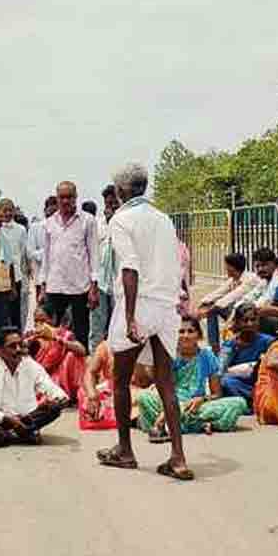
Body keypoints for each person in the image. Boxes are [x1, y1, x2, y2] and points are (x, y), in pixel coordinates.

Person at [96, 163, 192, 480]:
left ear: (122, 190)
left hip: (139, 304)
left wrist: (128, 316)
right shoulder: (163, 219)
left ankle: (125, 449)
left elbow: (130, 268)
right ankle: (178, 457)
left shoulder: (121, 220)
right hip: (166, 307)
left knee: (120, 379)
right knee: (166, 382)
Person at [136, 318, 248, 440]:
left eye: (190, 331)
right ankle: (197, 425)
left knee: (239, 403)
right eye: (181, 331)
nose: (186, 336)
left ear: (199, 335)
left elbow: (217, 393)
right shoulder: (169, 354)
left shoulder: (207, 355)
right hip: (170, 403)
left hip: (196, 406)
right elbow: (161, 386)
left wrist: (202, 399)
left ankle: (170, 423)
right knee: (144, 396)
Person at [0, 326, 68, 446]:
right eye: (12, 346)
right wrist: (6, 418)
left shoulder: (29, 364)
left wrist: (60, 398)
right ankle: (19, 434)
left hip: (28, 419)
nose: (18, 349)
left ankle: (7, 436)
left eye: (20, 345)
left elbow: (50, 387)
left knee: (54, 408)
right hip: (0, 420)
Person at [38, 181, 99, 354]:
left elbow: (94, 255)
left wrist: (94, 287)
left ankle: (79, 371)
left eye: (69, 197)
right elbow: (47, 257)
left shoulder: (88, 221)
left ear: (76, 198)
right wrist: (42, 286)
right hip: (55, 285)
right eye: (62, 197)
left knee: (80, 332)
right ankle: (54, 369)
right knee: (51, 331)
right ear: (57, 198)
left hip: (80, 287)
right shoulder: (49, 223)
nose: (65, 201)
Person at [195, 252, 265, 355]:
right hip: (235, 310)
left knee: (214, 309)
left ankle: (218, 348)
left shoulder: (250, 279)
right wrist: (202, 304)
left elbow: (231, 297)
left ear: (233, 267)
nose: (226, 268)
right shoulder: (233, 280)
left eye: (227, 266)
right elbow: (219, 292)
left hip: (247, 312)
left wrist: (209, 310)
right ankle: (214, 346)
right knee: (212, 311)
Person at [81, 340, 154, 431]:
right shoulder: (105, 347)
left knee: (143, 396)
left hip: (140, 394)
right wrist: (92, 395)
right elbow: (90, 373)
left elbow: (154, 377)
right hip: (112, 394)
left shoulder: (147, 346)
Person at [217, 302, 275, 407]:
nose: (250, 324)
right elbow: (220, 369)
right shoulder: (230, 344)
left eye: (253, 320)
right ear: (238, 323)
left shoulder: (268, 341)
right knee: (226, 382)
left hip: (262, 384)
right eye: (245, 320)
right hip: (239, 385)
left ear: (258, 321)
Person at [27, 308, 87, 403]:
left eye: (42, 320)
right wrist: (28, 343)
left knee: (72, 356)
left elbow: (82, 350)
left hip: (60, 376)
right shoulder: (33, 338)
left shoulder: (63, 334)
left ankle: (70, 394)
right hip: (42, 377)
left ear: (53, 319)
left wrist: (56, 338)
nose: (39, 324)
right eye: (36, 321)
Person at [89, 185, 120, 352]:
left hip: (119, 284)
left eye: (115, 203)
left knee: (118, 327)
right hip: (100, 283)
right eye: (109, 204)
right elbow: (92, 255)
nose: (112, 207)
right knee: (97, 327)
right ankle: (95, 361)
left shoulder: (125, 224)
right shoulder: (97, 225)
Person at [0, 198, 31, 331]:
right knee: (1, 312)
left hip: (16, 276)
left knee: (16, 311)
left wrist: (26, 275)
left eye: (10, 210)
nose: (7, 214)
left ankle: (17, 336)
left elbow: (23, 253)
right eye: (4, 210)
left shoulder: (20, 230)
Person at [27, 195, 58, 287]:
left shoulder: (65, 228)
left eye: (55, 211)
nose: (53, 214)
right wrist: (47, 253)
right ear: (45, 210)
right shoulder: (35, 227)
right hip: (42, 276)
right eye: (51, 210)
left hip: (61, 280)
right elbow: (30, 252)